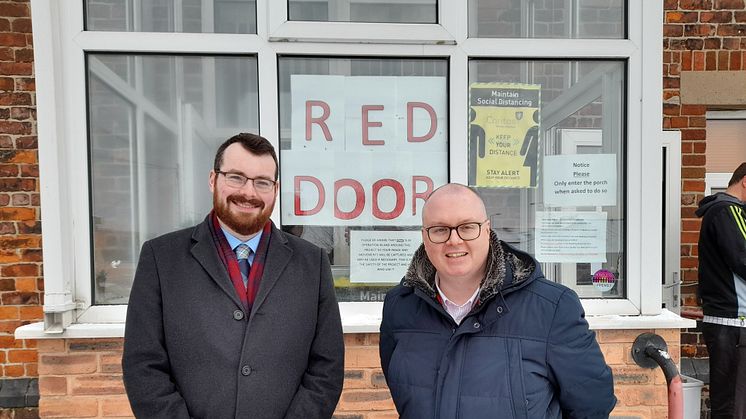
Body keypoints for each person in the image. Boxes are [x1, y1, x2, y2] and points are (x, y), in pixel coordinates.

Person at [123, 133, 345, 419]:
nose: (249, 193)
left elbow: (327, 366)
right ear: (213, 180)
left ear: (275, 190)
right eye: (236, 177)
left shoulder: (312, 263)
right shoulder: (161, 258)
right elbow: (143, 365)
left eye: (262, 182)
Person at [379, 183, 616, 418]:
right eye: (440, 229)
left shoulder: (552, 308)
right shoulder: (400, 306)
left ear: (486, 229)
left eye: (467, 227)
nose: (454, 240)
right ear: (424, 236)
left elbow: (592, 404)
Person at [696, 161, 746, 419]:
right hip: (734, 323)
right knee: (733, 406)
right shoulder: (729, 212)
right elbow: (743, 259)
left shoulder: (725, 213)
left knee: (730, 403)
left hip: (730, 323)